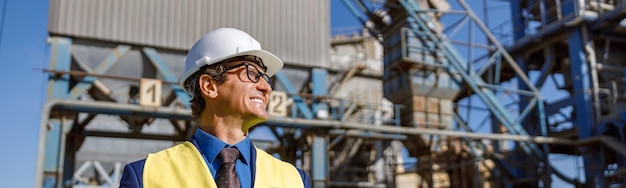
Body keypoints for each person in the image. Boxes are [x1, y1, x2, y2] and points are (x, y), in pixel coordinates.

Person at [120, 28, 311, 188]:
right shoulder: (144, 176)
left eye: (266, 78)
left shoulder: (295, 180)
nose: (266, 87)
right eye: (251, 73)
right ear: (209, 86)